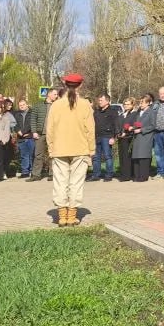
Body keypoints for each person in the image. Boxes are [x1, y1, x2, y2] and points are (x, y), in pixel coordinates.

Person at [46, 76, 95, 227]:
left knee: (60, 182)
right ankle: (72, 216)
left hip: (59, 149)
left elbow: (50, 129)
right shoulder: (85, 104)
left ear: (65, 85)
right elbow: (90, 129)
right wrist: (91, 149)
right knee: (76, 183)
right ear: (80, 85)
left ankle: (61, 216)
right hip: (80, 148)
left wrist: (51, 147)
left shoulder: (56, 105)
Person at [89, 93, 121, 181]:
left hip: (107, 136)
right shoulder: (97, 111)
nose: (99, 102)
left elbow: (116, 124)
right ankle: (96, 174)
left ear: (107, 101)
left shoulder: (113, 111)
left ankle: (109, 174)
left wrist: (114, 137)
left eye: (101, 100)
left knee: (107, 156)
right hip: (97, 136)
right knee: (95, 157)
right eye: (99, 100)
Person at [130, 94, 154, 182]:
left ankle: (143, 176)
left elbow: (152, 126)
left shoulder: (151, 112)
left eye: (143, 102)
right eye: (140, 102)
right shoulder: (139, 112)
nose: (141, 104)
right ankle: (137, 176)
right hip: (137, 137)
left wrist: (141, 130)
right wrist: (132, 127)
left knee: (143, 156)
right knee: (136, 156)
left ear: (148, 103)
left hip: (145, 137)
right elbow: (136, 123)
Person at [14, 99, 36, 179]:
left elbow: (31, 124)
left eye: (23, 104)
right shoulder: (17, 114)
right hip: (21, 138)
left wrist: (22, 132)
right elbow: (14, 124)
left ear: (27, 105)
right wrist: (18, 131)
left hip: (30, 137)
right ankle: (25, 172)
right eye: (20, 105)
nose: (22, 106)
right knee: (23, 155)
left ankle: (32, 171)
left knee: (31, 155)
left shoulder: (32, 113)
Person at [116, 98, 136, 182]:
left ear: (132, 105)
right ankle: (123, 174)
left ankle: (127, 175)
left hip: (129, 137)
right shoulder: (122, 114)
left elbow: (133, 124)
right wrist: (118, 133)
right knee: (122, 156)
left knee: (127, 157)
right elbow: (117, 124)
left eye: (128, 104)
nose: (126, 106)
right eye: (125, 104)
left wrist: (126, 132)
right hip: (121, 138)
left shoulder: (134, 114)